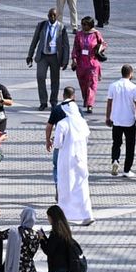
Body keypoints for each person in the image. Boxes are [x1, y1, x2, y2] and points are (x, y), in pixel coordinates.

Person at [47, 90, 94, 226]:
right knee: (82, 185)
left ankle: (65, 215)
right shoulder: (81, 122)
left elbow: (58, 144)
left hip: (66, 160)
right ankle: (87, 214)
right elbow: (87, 137)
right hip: (81, 158)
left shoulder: (62, 124)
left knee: (65, 186)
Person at [25, 8, 69, 111]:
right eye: (50, 15)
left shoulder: (61, 27)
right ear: (47, 15)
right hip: (43, 56)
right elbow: (34, 40)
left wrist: (65, 60)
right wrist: (30, 55)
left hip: (55, 56)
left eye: (54, 15)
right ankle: (43, 102)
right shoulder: (41, 25)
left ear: (57, 16)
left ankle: (53, 101)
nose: (52, 18)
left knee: (55, 80)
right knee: (40, 77)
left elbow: (66, 45)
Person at [105, 63, 136, 178]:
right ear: (131, 74)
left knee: (116, 143)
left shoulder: (113, 86)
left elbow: (109, 103)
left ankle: (115, 160)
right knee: (130, 146)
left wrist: (108, 117)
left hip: (116, 120)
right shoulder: (134, 88)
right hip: (129, 120)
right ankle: (127, 170)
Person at [72, 16, 106, 113]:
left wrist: (100, 49)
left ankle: (90, 104)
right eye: (82, 24)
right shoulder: (79, 35)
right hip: (81, 63)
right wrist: (74, 59)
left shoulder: (96, 34)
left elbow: (103, 44)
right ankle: (85, 99)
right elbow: (75, 48)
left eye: (85, 24)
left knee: (92, 84)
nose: (83, 26)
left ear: (90, 25)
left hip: (92, 63)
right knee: (83, 83)